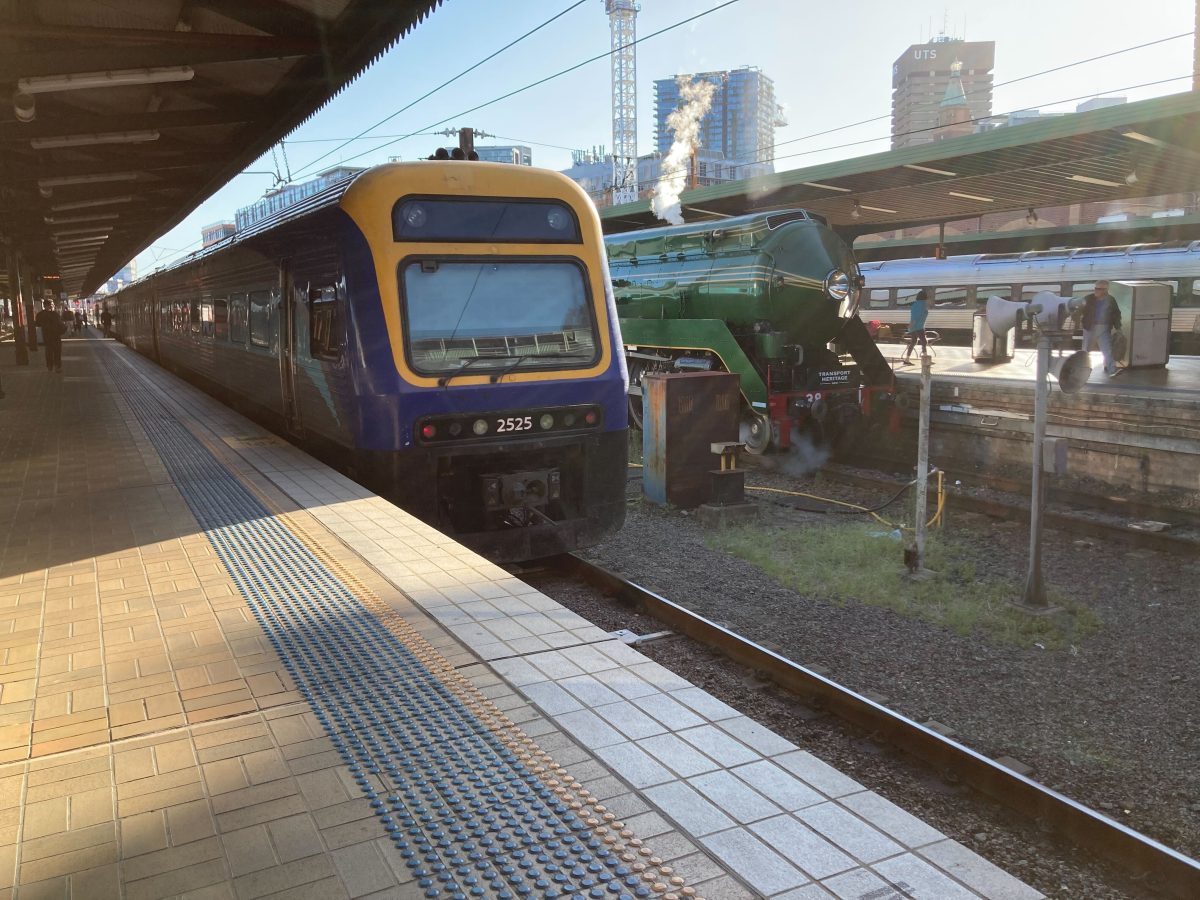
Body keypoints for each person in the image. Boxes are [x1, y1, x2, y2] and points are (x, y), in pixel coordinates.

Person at [1081, 280, 1122, 376]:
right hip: (1089, 326)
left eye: (1099, 289)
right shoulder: (1088, 298)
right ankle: (1082, 369)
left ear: (1106, 290)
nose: (1096, 290)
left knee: (1106, 349)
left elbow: (1116, 314)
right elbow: (1079, 310)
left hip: (1104, 326)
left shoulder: (1111, 300)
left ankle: (1112, 369)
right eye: (1095, 288)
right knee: (1085, 349)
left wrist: (1118, 327)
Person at [900, 289, 930, 365]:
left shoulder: (915, 304)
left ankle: (907, 359)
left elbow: (915, 315)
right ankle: (925, 357)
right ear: (925, 297)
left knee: (914, 342)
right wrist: (912, 324)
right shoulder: (922, 304)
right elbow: (916, 316)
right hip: (918, 326)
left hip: (915, 326)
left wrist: (911, 325)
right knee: (924, 341)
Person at [35, 300, 65, 373]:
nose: (52, 306)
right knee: (57, 352)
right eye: (52, 304)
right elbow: (60, 324)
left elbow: (38, 324)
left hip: (46, 336)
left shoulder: (40, 314)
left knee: (49, 352)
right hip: (56, 335)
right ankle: (57, 367)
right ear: (49, 305)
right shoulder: (55, 314)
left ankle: (50, 367)